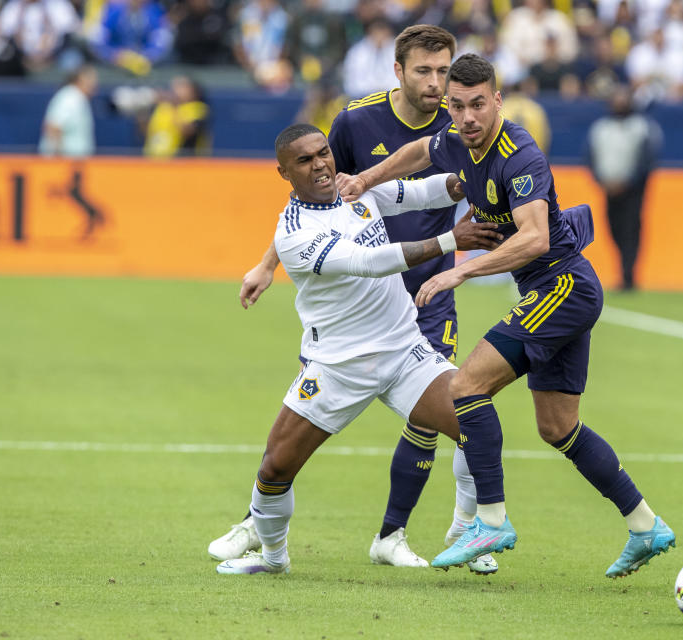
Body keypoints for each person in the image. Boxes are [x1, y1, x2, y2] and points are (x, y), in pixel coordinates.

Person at [337, 53, 676, 578]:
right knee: (558, 427)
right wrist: (366, 178)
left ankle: (490, 519)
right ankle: (645, 525)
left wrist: (459, 272)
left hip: (563, 285)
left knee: (466, 387)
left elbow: (536, 237)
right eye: (457, 106)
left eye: (478, 104)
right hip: (554, 290)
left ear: (497, 100)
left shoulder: (519, 155)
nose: (468, 117)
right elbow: (416, 152)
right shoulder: (456, 139)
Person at [212, 25, 505, 574]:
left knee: (477, 423)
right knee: (276, 467)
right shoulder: (295, 232)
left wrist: (474, 180)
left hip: (402, 348)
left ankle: (470, 533)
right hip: (340, 362)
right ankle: (270, 552)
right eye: (306, 161)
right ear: (284, 175)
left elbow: (418, 189)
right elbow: (374, 261)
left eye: (324, 154)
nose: (322, 164)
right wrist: (452, 240)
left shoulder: (356, 188)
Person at [587, 86, 661, 290]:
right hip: (608, 188)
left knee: (631, 229)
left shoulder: (641, 127)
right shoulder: (601, 128)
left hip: (633, 190)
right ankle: (624, 267)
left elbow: (647, 159)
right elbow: (591, 157)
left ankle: (628, 275)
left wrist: (628, 181)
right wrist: (602, 180)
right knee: (613, 228)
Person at [39, 64, 97, 157]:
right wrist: (59, 160)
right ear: (79, 79)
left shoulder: (78, 98)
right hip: (63, 165)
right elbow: (53, 127)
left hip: (74, 165)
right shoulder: (69, 97)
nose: (94, 83)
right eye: (90, 79)